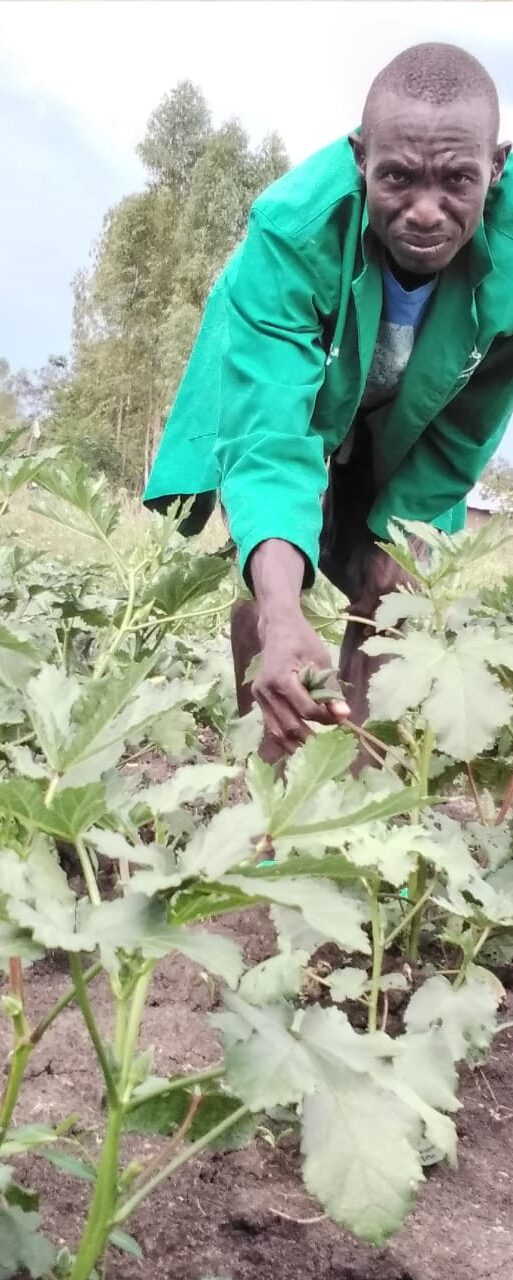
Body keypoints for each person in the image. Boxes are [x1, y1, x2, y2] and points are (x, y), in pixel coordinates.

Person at [144, 42, 513, 761]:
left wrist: (395, 533)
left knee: (397, 575)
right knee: (276, 561)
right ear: (358, 160)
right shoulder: (291, 232)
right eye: (397, 179)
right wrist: (283, 608)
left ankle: (356, 775)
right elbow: (270, 440)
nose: (426, 212)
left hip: (411, 425)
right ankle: (274, 790)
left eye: (457, 181)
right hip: (293, 403)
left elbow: (468, 425)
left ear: (496, 168)